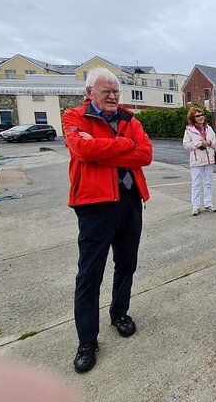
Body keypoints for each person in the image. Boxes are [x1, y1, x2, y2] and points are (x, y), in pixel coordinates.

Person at [62, 66, 153, 373]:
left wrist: (112, 149)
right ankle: (87, 340)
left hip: (129, 201)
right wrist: (125, 146)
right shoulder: (74, 117)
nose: (114, 96)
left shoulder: (130, 119)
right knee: (89, 274)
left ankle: (119, 313)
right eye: (107, 91)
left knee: (127, 263)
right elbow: (82, 150)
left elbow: (145, 154)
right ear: (90, 93)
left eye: (116, 91)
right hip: (95, 205)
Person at [183, 106, 216, 215]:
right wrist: (199, 143)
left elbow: (215, 143)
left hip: (209, 160)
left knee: (208, 183)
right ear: (193, 118)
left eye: (202, 114)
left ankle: (208, 203)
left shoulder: (209, 128)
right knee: (196, 183)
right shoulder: (189, 130)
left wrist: (210, 143)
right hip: (197, 161)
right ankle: (196, 206)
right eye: (197, 115)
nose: (201, 117)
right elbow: (186, 145)